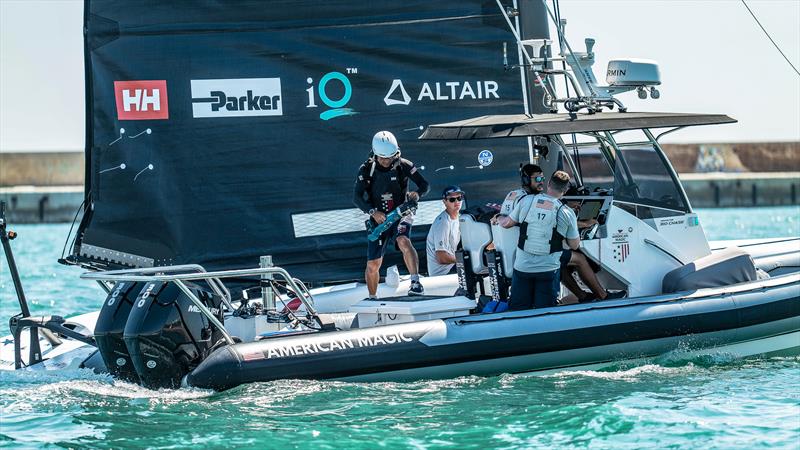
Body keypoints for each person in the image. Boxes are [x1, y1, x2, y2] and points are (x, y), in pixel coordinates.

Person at [353, 131, 430, 298]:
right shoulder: (366, 170)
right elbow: (356, 197)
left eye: (390, 157)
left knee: (403, 240)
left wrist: (417, 194)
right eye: (382, 158)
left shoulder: (404, 165)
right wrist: (372, 212)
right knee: (373, 264)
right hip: (379, 219)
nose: (386, 161)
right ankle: (372, 298)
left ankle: (416, 283)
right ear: (374, 154)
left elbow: (424, 185)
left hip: (401, 213)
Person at [493, 171, 578, 310]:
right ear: (566, 190)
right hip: (548, 269)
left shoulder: (526, 200)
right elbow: (574, 245)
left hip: (523, 268)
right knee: (545, 313)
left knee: (518, 311)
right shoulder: (567, 212)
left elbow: (507, 223)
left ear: (548, 184)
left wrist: (498, 216)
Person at [426, 186, 464, 276]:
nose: (457, 202)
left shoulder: (460, 217)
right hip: (442, 274)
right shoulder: (443, 222)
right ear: (444, 202)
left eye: (459, 198)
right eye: (452, 199)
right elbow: (442, 258)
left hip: (452, 268)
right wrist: (464, 260)